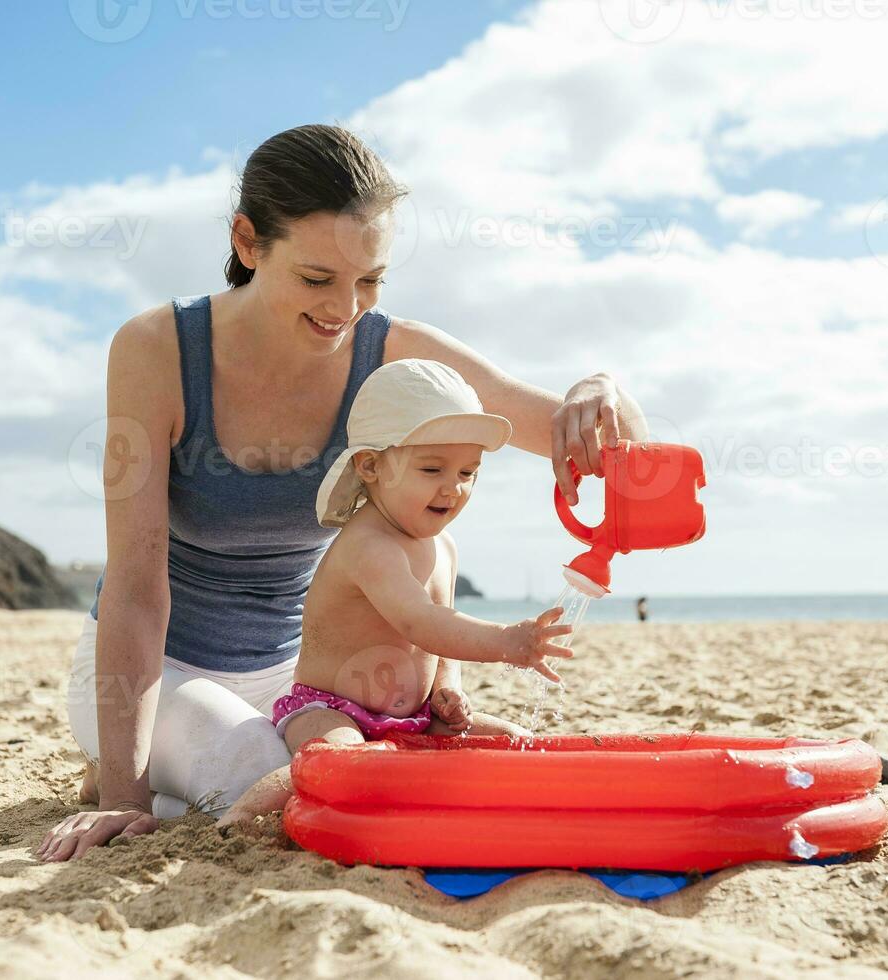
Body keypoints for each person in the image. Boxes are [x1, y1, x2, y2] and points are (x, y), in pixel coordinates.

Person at [36, 124, 648, 863]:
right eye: (317, 279)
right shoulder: (156, 349)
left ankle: (180, 782)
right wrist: (122, 800)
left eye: (370, 280)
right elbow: (136, 588)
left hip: (306, 684)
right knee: (295, 788)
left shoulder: (392, 352)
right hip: (160, 671)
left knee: (380, 776)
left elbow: (596, 440)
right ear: (247, 242)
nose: (344, 308)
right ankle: (134, 770)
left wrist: (601, 388)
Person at [222, 359, 573, 820]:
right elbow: (422, 623)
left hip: (417, 718)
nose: (453, 488)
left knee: (514, 741)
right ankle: (238, 821)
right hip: (332, 711)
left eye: (468, 473)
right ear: (370, 466)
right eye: (432, 469)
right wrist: (507, 642)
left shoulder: (443, 547)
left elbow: (442, 643)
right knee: (340, 758)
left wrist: (448, 690)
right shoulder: (370, 546)